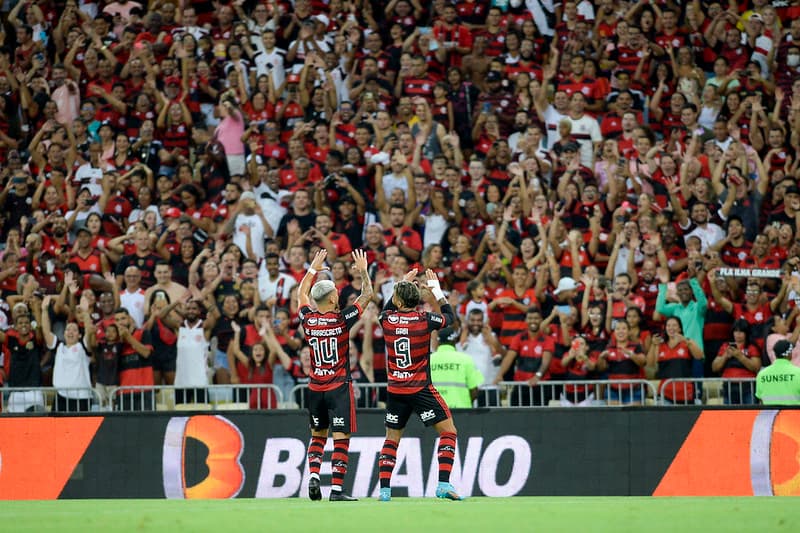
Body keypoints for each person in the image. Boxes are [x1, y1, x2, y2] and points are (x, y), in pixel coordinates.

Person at [377, 268, 461, 502]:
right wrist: (435, 290)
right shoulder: (426, 320)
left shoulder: (387, 320)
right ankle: (443, 484)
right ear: (417, 301)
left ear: (397, 300)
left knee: (391, 438)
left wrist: (402, 283)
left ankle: (384, 490)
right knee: (448, 432)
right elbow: (450, 318)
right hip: (421, 389)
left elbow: (386, 310)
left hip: (395, 391)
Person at [298, 248, 373, 502]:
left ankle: (314, 476)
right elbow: (367, 295)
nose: (339, 298)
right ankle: (338, 491)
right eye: (337, 295)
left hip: (315, 388)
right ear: (331, 300)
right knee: (341, 438)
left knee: (317, 435)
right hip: (339, 387)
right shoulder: (342, 320)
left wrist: (312, 269)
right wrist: (362, 270)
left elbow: (301, 294)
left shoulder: (307, 320)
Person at [430, 327, 484, 408]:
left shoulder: (429, 360)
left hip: (436, 410)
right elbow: (474, 391)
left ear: (438, 341)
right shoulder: (466, 359)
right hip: (461, 410)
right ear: (454, 340)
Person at [755, 340, 800, 405]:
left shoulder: (762, 374)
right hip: (794, 414)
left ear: (775, 354)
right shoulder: (798, 372)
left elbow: (761, 399)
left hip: (770, 414)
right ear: (789, 353)